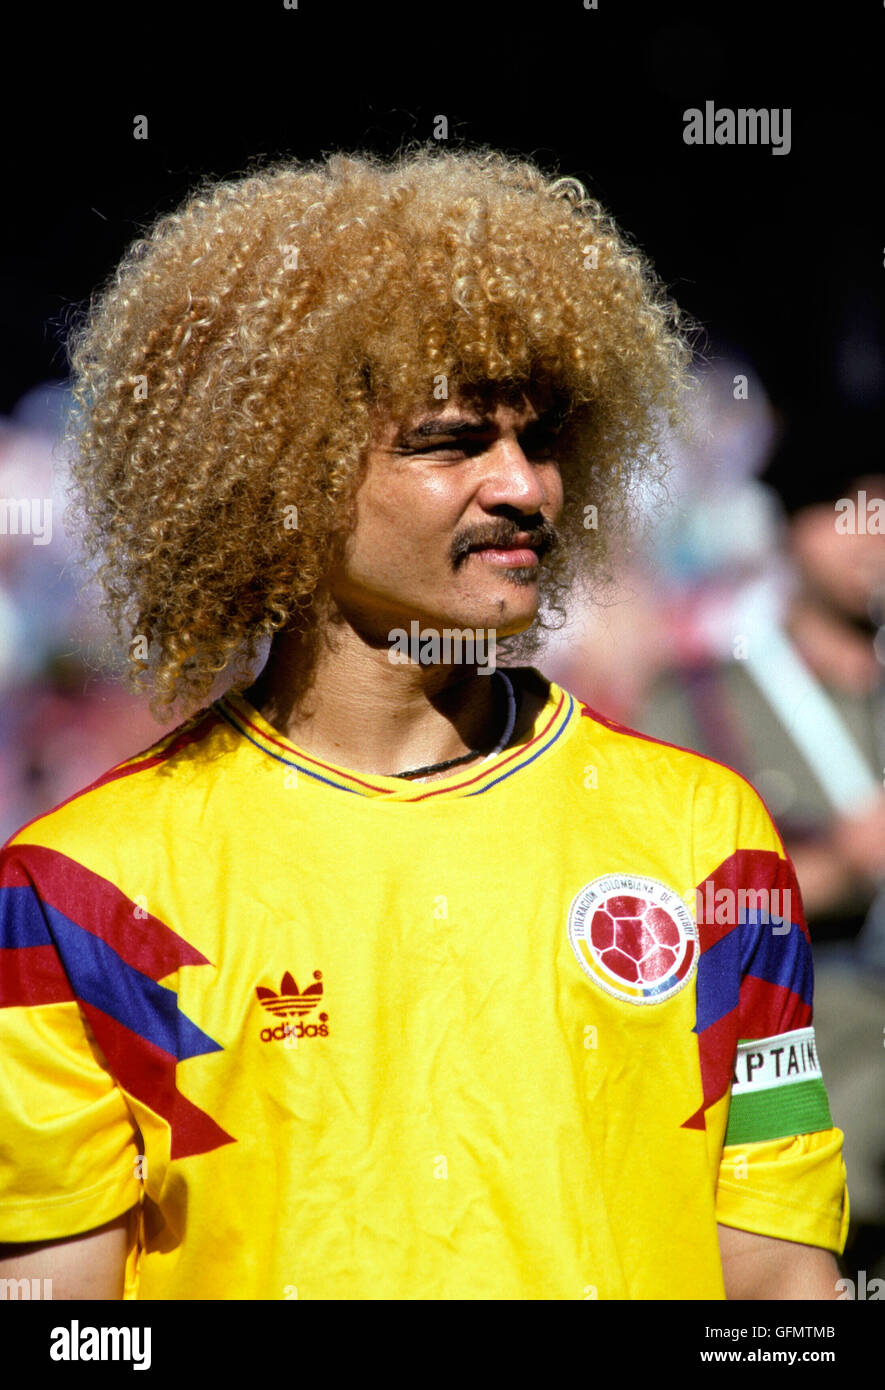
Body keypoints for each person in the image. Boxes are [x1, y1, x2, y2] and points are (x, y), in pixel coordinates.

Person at [0, 147, 848, 1300]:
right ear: (275, 475)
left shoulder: (709, 843)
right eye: (451, 441)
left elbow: (782, 1282)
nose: (523, 486)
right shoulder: (81, 890)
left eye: (540, 437)